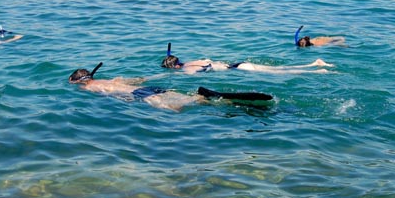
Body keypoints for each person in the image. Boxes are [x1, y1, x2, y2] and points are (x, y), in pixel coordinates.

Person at [69, 63, 272, 111]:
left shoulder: (88, 88)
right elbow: (140, 79)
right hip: (152, 88)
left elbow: (111, 97)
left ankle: (218, 102)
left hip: (140, 95)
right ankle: (209, 97)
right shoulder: (115, 79)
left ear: (76, 81)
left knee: (175, 110)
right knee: (186, 98)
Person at [161, 43, 334, 75]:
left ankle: (318, 70)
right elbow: (206, 61)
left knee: (281, 73)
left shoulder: (187, 69)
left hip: (239, 69)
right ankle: (314, 64)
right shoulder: (192, 61)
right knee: (279, 69)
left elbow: (195, 73)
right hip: (239, 64)